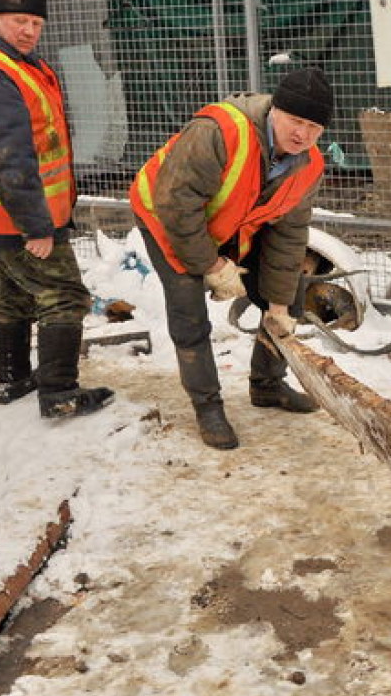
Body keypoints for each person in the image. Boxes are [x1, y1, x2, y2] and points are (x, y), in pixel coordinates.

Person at [128, 68, 333, 450]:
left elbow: (288, 237)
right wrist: (212, 266)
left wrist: (277, 306)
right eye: (296, 120)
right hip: (167, 216)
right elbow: (177, 206)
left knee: (287, 298)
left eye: (314, 127)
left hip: (230, 224)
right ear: (275, 110)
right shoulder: (218, 131)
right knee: (188, 308)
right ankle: (207, 406)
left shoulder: (309, 164)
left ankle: (268, 384)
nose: (302, 134)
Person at [0, 0, 114, 419]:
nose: (29, 31)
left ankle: (12, 380)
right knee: (65, 296)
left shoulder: (2, 61)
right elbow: (7, 157)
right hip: (14, 217)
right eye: (19, 20)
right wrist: (35, 226)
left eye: (36, 23)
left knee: (16, 292)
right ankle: (59, 393)